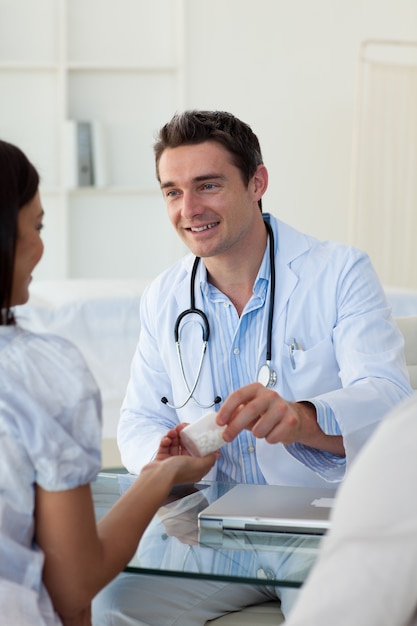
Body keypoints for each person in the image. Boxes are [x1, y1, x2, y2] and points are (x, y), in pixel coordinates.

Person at [92, 110, 413, 625]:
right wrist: (165, 456)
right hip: (207, 532)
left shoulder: (338, 272)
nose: (189, 209)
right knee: (109, 606)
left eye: (208, 185)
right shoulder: (165, 297)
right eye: (172, 192)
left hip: (318, 527)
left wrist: (301, 419)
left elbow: (392, 398)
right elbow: (137, 418)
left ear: (257, 182)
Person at [0, 138, 218, 626]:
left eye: (207, 185)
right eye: (35, 226)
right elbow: (75, 585)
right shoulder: (40, 370)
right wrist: (162, 473)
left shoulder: (337, 273)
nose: (40, 245)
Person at [285, 392, 417, 626]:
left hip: (320, 535)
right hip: (210, 530)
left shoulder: (408, 433)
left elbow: (388, 392)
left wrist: (306, 420)